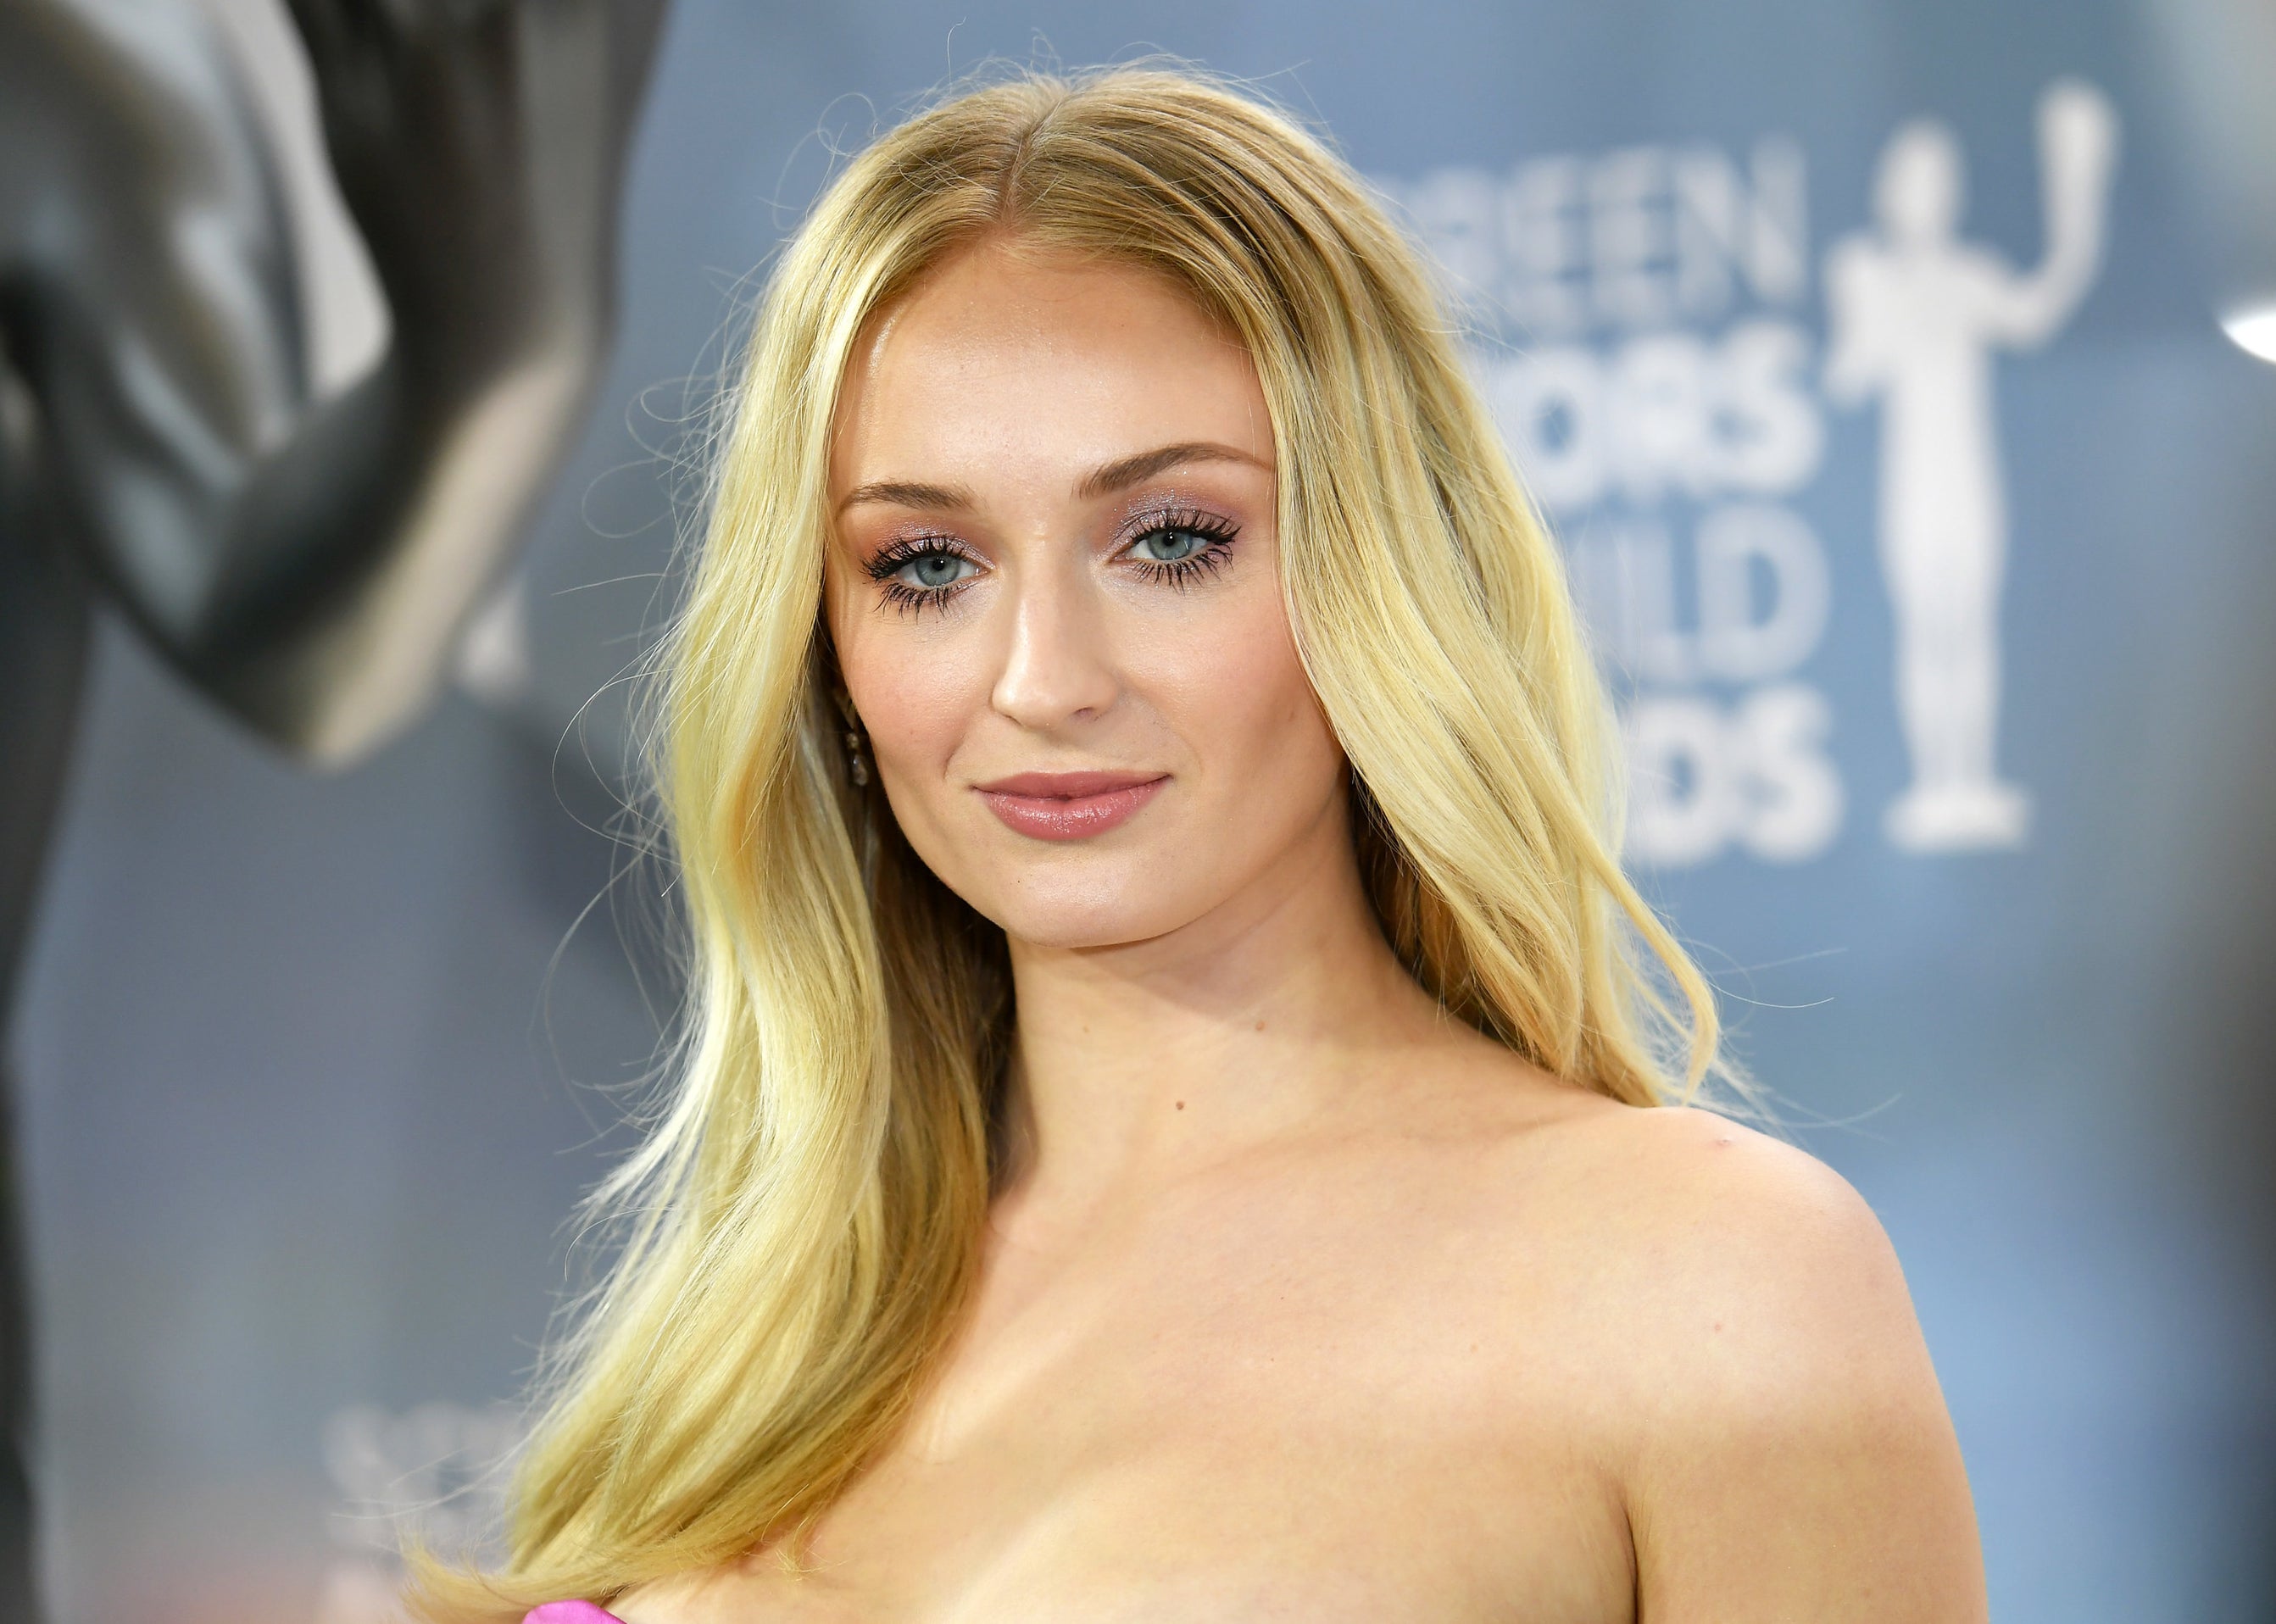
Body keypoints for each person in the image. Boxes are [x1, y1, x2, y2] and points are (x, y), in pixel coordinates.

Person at [421, 66, 1985, 1622]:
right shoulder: (750, 1335)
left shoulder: (1704, 1283)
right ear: (825, 647)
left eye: (1171, 540)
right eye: (925, 564)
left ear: (1375, 576)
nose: (1041, 678)